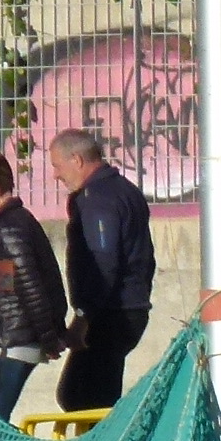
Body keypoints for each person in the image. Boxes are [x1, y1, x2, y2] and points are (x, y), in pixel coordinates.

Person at [50, 128, 156, 413]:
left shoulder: (97, 199)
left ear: (76, 160)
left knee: (81, 397)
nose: (56, 175)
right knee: (83, 395)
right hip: (129, 307)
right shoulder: (124, 190)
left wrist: (84, 316)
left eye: (57, 166)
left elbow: (102, 261)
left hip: (111, 313)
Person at [0, 151, 69, 421]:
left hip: (14, 342)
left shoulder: (8, 227)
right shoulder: (9, 224)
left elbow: (30, 287)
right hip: (11, 340)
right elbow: (3, 285)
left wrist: (49, 338)